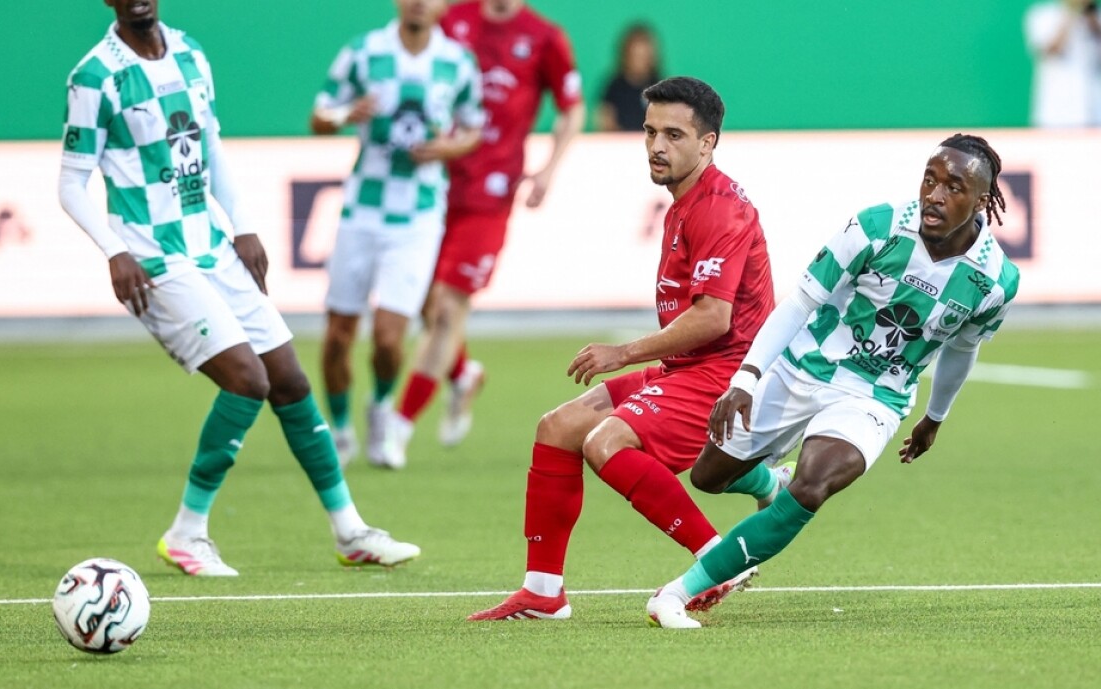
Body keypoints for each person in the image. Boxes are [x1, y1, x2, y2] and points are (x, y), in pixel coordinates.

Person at [58, 0, 420, 575]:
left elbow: (211, 147)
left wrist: (243, 225)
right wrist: (115, 250)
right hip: (154, 259)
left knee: (291, 382)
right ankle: (187, 533)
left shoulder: (193, 55)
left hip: (213, 246)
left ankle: (351, 531)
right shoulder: (95, 75)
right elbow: (73, 182)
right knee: (246, 381)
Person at [645, 134, 1022, 628]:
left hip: (875, 396)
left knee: (814, 485)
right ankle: (770, 484)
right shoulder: (875, 228)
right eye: (930, 179)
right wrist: (747, 378)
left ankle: (679, 592)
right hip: (804, 366)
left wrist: (935, 417)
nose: (935, 194)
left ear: (982, 200)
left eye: (954, 187)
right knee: (708, 476)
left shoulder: (995, 280)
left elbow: (961, 349)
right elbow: (799, 303)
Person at [469, 76, 789, 621]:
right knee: (557, 428)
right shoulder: (683, 203)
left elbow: (714, 319)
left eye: (674, 135)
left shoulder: (718, 209)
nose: (658, 146)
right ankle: (544, 591)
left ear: (707, 143)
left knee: (605, 442)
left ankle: (718, 560)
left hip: (728, 376)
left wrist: (624, 352)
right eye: (650, 132)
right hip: (689, 368)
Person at [379, 0, 586, 469]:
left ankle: (399, 424)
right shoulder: (453, 18)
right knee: (425, 305)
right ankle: (462, 373)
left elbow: (572, 109)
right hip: (432, 184)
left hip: (490, 193)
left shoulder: (543, 36)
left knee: (449, 306)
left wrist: (550, 170)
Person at [310, 0, 485, 469]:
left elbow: (474, 125)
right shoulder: (364, 52)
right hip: (361, 210)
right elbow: (319, 116)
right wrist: (347, 113)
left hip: (420, 216)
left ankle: (381, 407)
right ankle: (342, 429)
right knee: (339, 334)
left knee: (389, 336)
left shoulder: (457, 62)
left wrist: (449, 147)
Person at [1025, 0, 1101, 128]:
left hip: (1100, 115)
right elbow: (1050, 51)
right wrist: (1072, 13)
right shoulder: (1044, 14)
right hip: (1056, 115)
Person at [596, 23, 662, 132]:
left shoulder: (660, 87)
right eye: (635, 56)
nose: (639, 62)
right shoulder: (614, 86)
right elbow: (605, 118)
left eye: (643, 57)